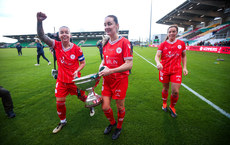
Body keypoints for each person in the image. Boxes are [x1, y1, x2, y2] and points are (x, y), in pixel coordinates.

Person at [36, 12, 95, 134]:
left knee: (82, 97)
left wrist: (77, 71)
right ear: (58, 35)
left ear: (70, 35)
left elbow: (83, 63)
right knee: (59, 102)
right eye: (61, 32)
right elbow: (41, 36)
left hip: (75, 81)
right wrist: (39, 21)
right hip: (61, 81)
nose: (64, 34)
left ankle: (91, 105)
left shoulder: (77, 49)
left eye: (66, 32)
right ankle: (63, 121)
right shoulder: (55, 45)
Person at [98, 15, 133, 140]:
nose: (107, 27)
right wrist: (100, 68)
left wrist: (111, 70)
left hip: (120, 80)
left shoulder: (124, 42)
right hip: (107, 80)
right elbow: (104, 60)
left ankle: (119, 126)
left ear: (117, 26)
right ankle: (112, 123)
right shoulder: (105, 43)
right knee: (105, 107)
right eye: (105, 24)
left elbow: (129, 64)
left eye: (110, 24)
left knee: (119, 106)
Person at [155, 25, 188, 118]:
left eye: (173, 31)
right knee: (165, 88)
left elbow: (184, 55)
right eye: (170, 32)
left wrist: (185, 67)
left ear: (177, 32)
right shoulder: (163, 44)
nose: (171, 33)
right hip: (164, 70)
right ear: (167, 33)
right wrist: (158, 63)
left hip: (176, 70)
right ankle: (164, 103)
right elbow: (157, 56)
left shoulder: (181, 43)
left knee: (175, 92)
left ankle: (172, 107)